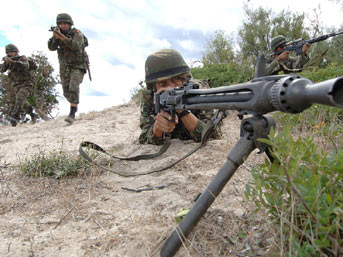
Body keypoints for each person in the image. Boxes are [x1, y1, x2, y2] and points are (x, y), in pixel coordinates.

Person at [139, 49, 220, 145]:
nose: (171, 87)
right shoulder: (149, 95)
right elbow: (143, 138)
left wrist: (182, 110)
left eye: (176, 79)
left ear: (185, 79)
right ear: (154, 87)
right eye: (163, 83)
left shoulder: (197, 90)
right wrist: (157, 128)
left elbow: (212, 135)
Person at [48, 13, 89, 124]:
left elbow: (75, 46)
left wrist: (63, 38)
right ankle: (74, 104)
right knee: (66, 92)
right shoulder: (58, 34)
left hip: (78, 65)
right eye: (60, 24)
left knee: (73, 86)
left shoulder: (77, 33)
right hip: (65, 67)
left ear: (70, 24)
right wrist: (55, 38)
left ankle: (72, 112)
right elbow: (51, 47)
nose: (63, 26)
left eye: (65, 23)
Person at [0, 44, 37, 126]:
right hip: (16, 84)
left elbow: (25, 66)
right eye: (9, 52)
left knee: (20, 98)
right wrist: (6, 63)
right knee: (22, 103)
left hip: (27, 83)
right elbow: (2, 70)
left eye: (12, 51)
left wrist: (13, 62)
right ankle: (32, 114)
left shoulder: (22, 58)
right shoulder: (7, 60)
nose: (11, 53)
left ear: (16, 51)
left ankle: (15, 117)